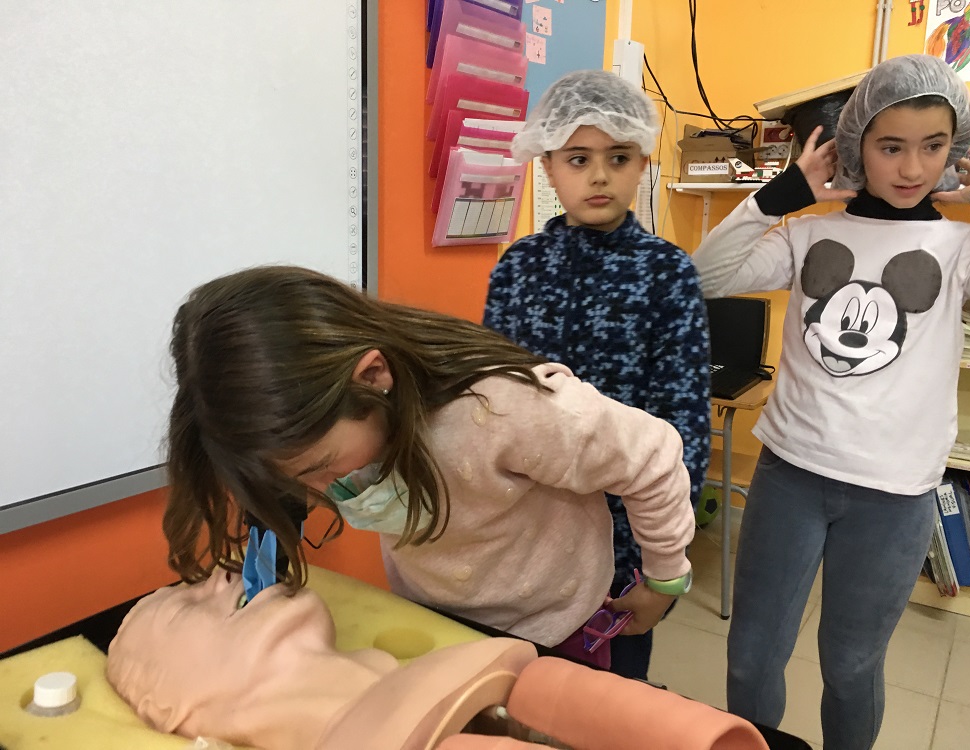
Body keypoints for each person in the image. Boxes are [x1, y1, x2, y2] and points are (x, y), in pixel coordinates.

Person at [163, 265, 696, 671]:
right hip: (442, 625)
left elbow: (654, 458)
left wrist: (663, 582)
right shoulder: (309, 435)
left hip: (557, 631)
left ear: (373, 377)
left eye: (322, 468)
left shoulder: (503, 410)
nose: (317, 490)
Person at [690, 53, 970, 750]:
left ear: (957, 147)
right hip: (790, 475)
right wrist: (781, 195)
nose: (913, 168)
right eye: (891, 147)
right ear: (856, 143)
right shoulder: (808, 232)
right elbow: (707, 276)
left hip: (894, 494)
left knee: (852, 668)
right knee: (752, 658)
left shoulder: (961, 246)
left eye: (933, 146)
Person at [483, 69, 711, 680]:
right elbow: (488, 404)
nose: (600, 175)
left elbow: (683, 428)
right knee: (517, 692)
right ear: (548, 165)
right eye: (579, 158)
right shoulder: (518, 269)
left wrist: (662, 570)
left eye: (619, 157)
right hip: (521, 541)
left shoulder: (667, 274)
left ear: (643, 164)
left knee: (608, 701)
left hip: (622, 549)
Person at [105, 570, 769, 750]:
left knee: (543, 683)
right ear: (168, 707)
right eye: (189, 604)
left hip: (479, 680)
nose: (223, 577)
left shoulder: (371, 663)